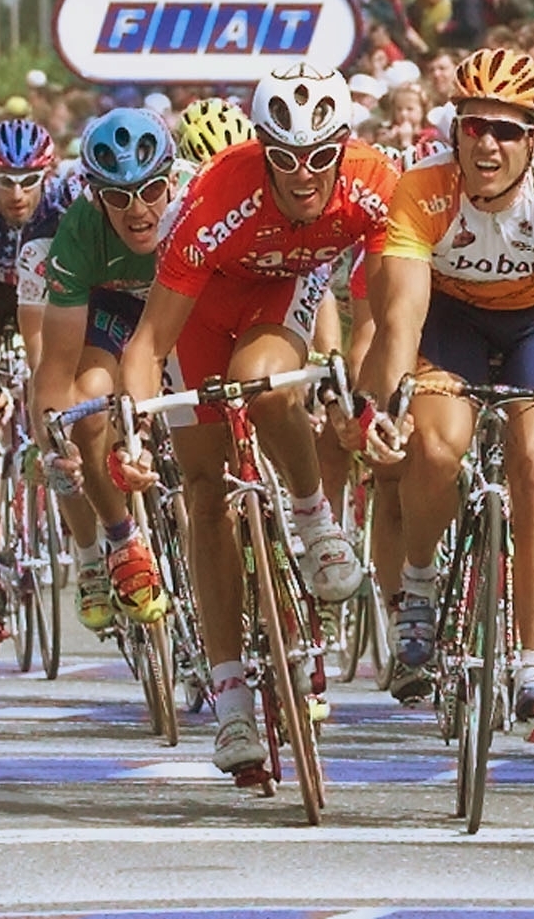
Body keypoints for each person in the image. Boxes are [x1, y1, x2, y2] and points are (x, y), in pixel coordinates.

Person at [115, 63, 394, 776]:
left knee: (264, 387)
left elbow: (384, 315)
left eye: (321, 156)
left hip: (280, 296)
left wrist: (367, 398)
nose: (304, 174)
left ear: (343, 146)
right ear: (262, 150)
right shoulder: (216, 197)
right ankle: (231, 697)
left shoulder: (373, 182)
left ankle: (314, 521)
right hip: (200, 312)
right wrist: (135, 433)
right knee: (205, 494)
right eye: (285, 157)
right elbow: (148, 343)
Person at [355, 48, 534, 720]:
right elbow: (402, 318)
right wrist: (390, 409)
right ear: (456, 131)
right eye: (474, 127)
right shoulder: (422, 188)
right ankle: (419, 584)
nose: (488, 144)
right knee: (437, 448)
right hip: (453, 320)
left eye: (506, 131)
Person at [32, 110, 191, 635]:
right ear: (97, 198)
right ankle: (121, 540)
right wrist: (53, 448)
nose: (138, 210)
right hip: (114, 310)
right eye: (119, 197)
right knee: (89, 402)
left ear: (172, 181)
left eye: (151, 191)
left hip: (187, 301)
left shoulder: (196, 206)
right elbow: (55, 371)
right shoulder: (78, 234)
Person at [0, 119, 86, 640]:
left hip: (49, 296)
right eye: (4, 181)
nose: (16, 194)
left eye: (28, 181)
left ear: (47, 174)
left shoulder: (63, 201)